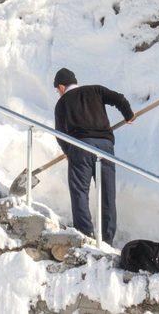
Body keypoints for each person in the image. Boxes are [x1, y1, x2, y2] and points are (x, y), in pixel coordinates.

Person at [53, 67, 135, 246]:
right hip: (105, 147)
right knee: (107, 193)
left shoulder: (62, 103)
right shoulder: (95, 90)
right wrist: (128, 115)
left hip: (81, 146)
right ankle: (107, 239)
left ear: (60, 86)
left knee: (80, 191)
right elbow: (119, 98)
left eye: (57, 90)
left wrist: (69, 152)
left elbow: (59, 133)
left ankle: (85, 235)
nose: (58, 94)